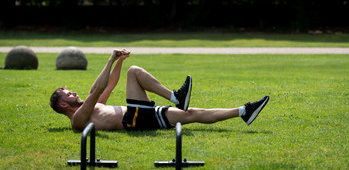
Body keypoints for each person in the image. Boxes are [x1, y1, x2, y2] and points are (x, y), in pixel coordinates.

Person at [50, 49, 269, 131]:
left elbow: (109, 85)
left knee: (191, 114)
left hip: (144, 117)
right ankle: (176, 97)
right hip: (134, 121)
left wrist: (119, 61)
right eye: (69, 94)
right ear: (63, 104)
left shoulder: (91, 108)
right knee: (135, 72)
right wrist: (109, 58)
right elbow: (95, 91)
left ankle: (244, 112)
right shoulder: (78, 120)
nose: (74, 94)